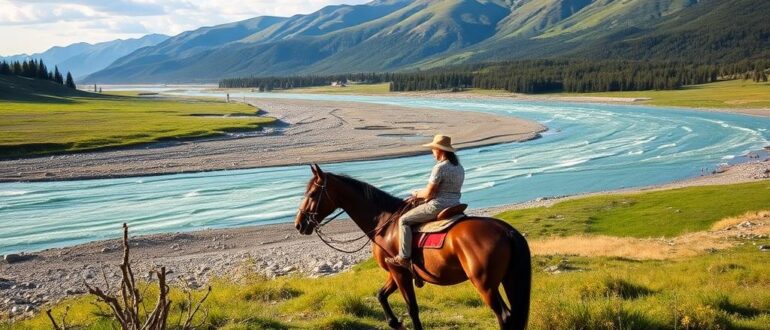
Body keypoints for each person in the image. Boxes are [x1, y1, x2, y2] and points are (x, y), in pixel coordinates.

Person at [385, 134, 465, 267]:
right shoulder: (459, 167)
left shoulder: (439, 168)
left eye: (433, 149)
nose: (432, 152)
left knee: (403, 220)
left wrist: (416, 194)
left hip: (438, 205)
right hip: (455, 204)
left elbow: (429, 193)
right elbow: (442, 190)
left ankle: (404, 257)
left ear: (440, 150)